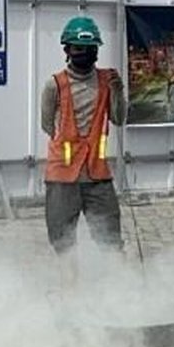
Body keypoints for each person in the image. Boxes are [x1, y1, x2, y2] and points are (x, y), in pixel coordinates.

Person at [41, 16, 128, 262]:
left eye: (90, 49)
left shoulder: (107, 81)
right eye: (78, 48)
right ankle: (71, 293)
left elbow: (119, 119)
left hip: (97, 176)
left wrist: (119, 92)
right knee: (63, 243)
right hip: (62, 177)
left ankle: (123, 290)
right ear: (67, 49)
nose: (84, 53)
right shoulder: (54, 85)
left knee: (111, 240)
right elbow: (47, 125)